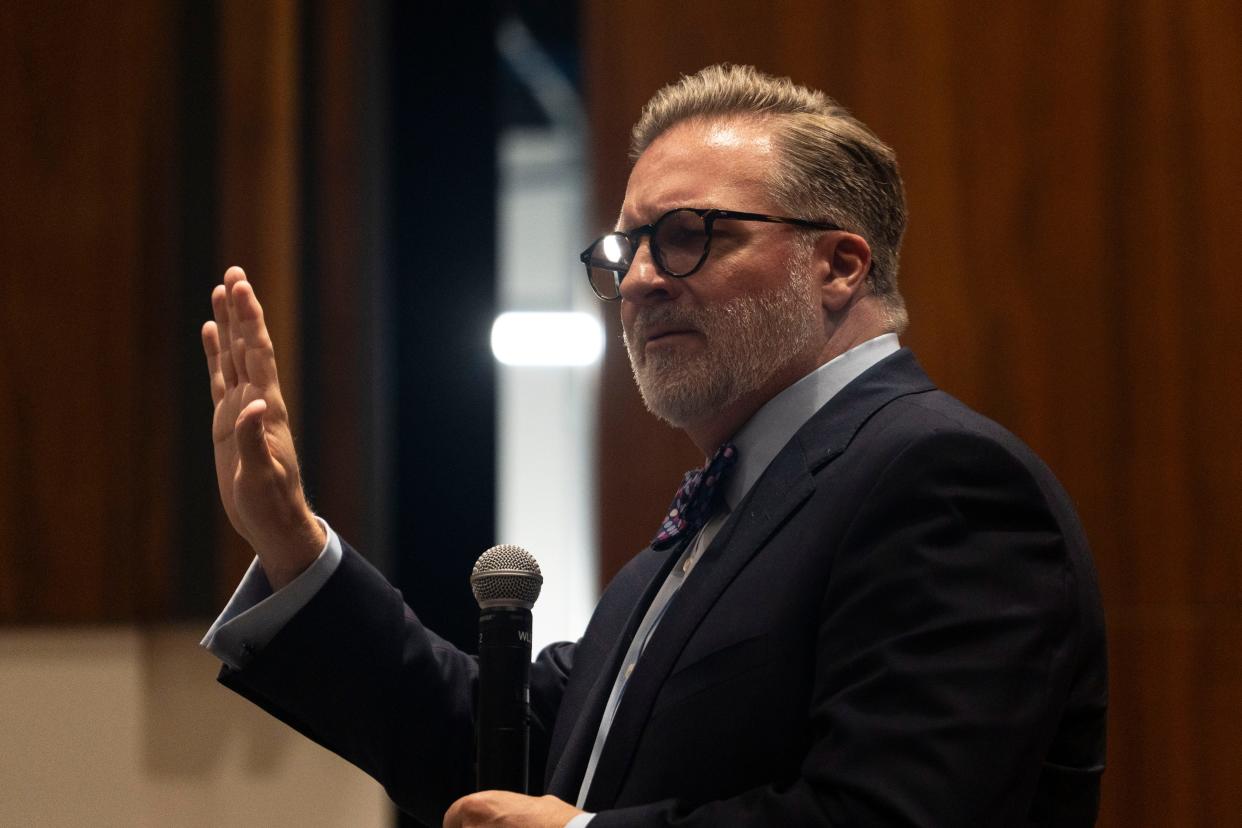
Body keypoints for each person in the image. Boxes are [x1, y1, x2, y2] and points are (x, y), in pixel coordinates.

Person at [202, 64, 1106, 827]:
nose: (636, 281)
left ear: (838, 265)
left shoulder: (940, 482)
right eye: (624, 249)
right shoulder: (703, 530)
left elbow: (895, 813)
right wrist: (291, 543)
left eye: (686, 237)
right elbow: (495, 747)